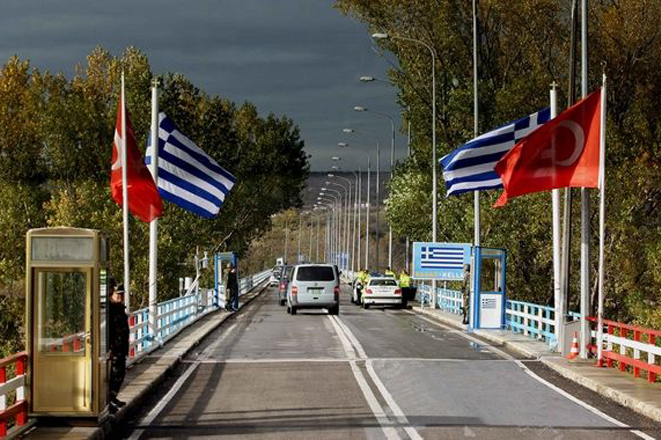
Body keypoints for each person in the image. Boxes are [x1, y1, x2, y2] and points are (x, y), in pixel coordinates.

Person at [108, 281, 129, 412]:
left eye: (122, 294)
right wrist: (109, 348)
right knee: (113, 375)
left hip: (121, 348)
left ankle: (112, 397)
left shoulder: (120, 309)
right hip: (113, 349)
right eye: (118, 294)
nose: (120, 297)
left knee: (119, 374)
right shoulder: (110, 310)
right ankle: (108, 401)